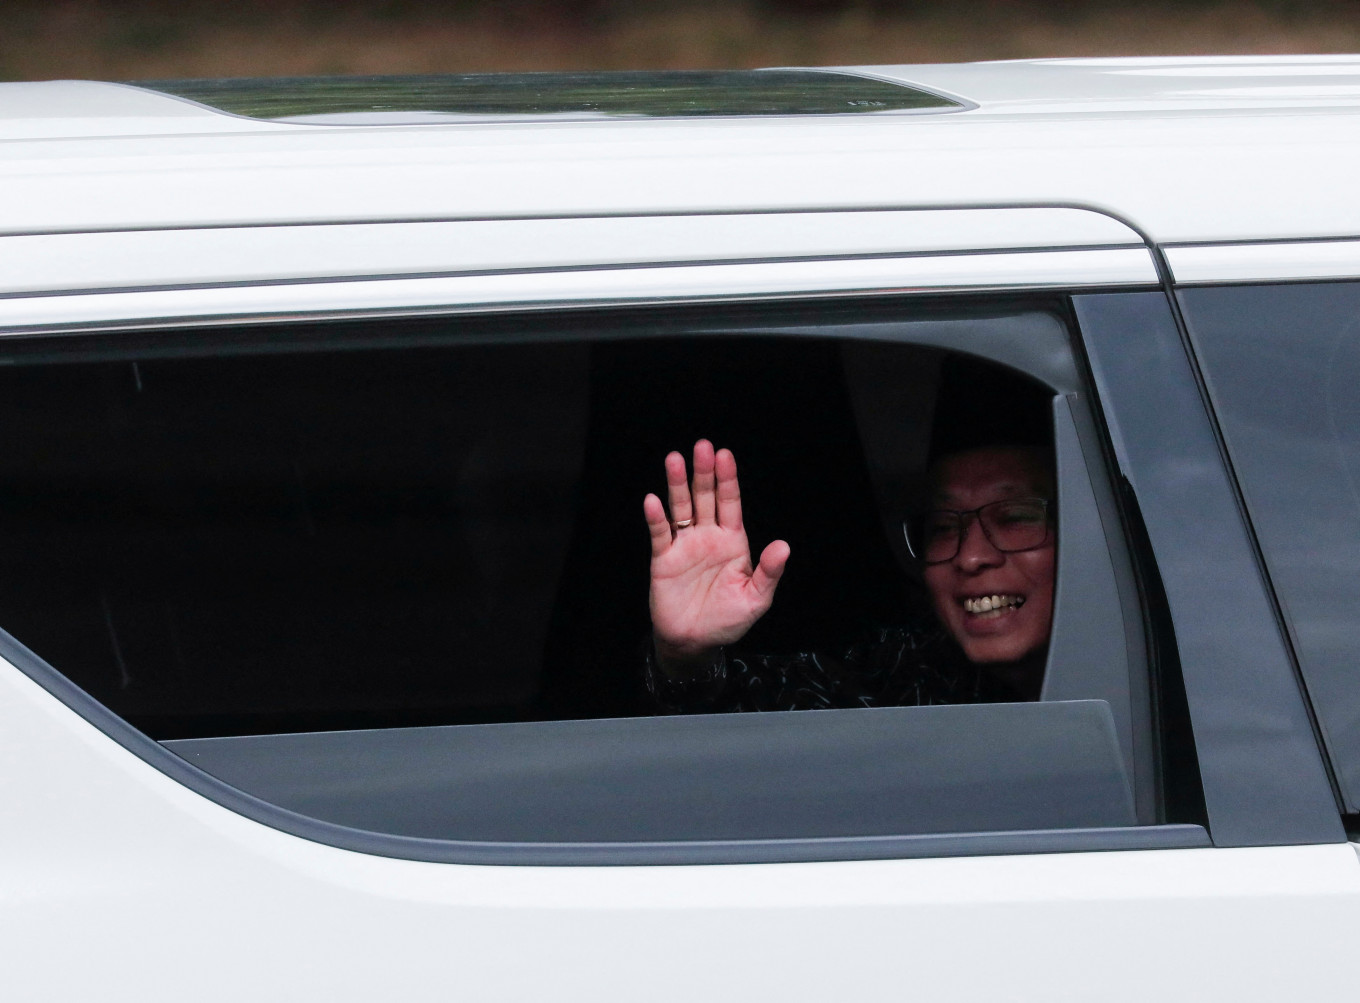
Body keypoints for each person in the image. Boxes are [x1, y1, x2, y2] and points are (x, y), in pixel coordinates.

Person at [641, 437, 1056, 712]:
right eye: (945, 527)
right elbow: (758, 703)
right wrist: (685, 657)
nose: (970, 557)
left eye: (1015, 518)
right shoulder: (908, 675)